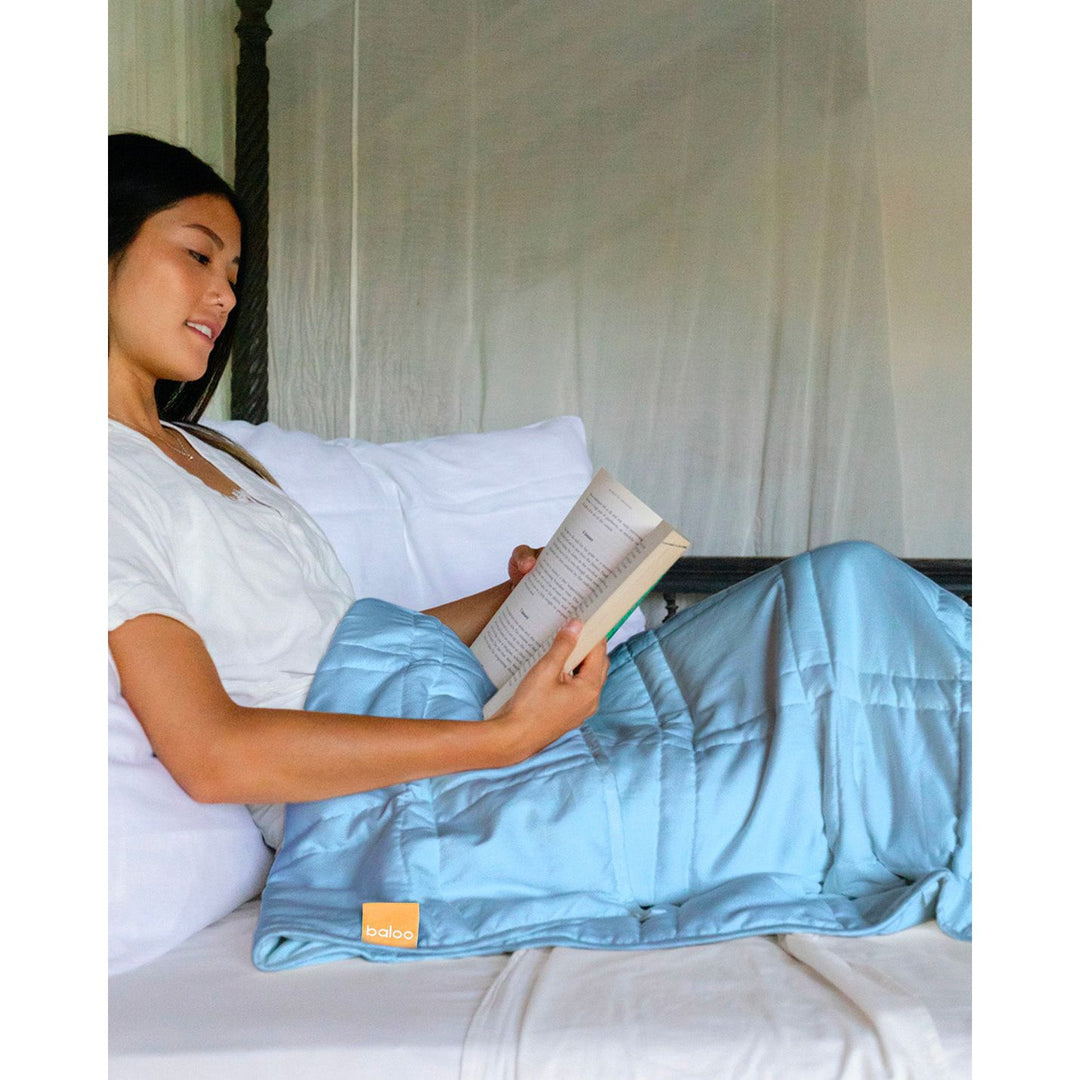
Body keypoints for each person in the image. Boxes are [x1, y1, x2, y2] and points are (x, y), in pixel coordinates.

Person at [108, 133, 609, 849]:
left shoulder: (209, 452)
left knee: (808, 611)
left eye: (233, 271)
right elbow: (213, 754)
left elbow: (351, 659)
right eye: (198, 254)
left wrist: (539, 597)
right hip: (386, 813)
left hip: (441, 746)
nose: (224, 295)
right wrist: (502, 741)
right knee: (817, 622)